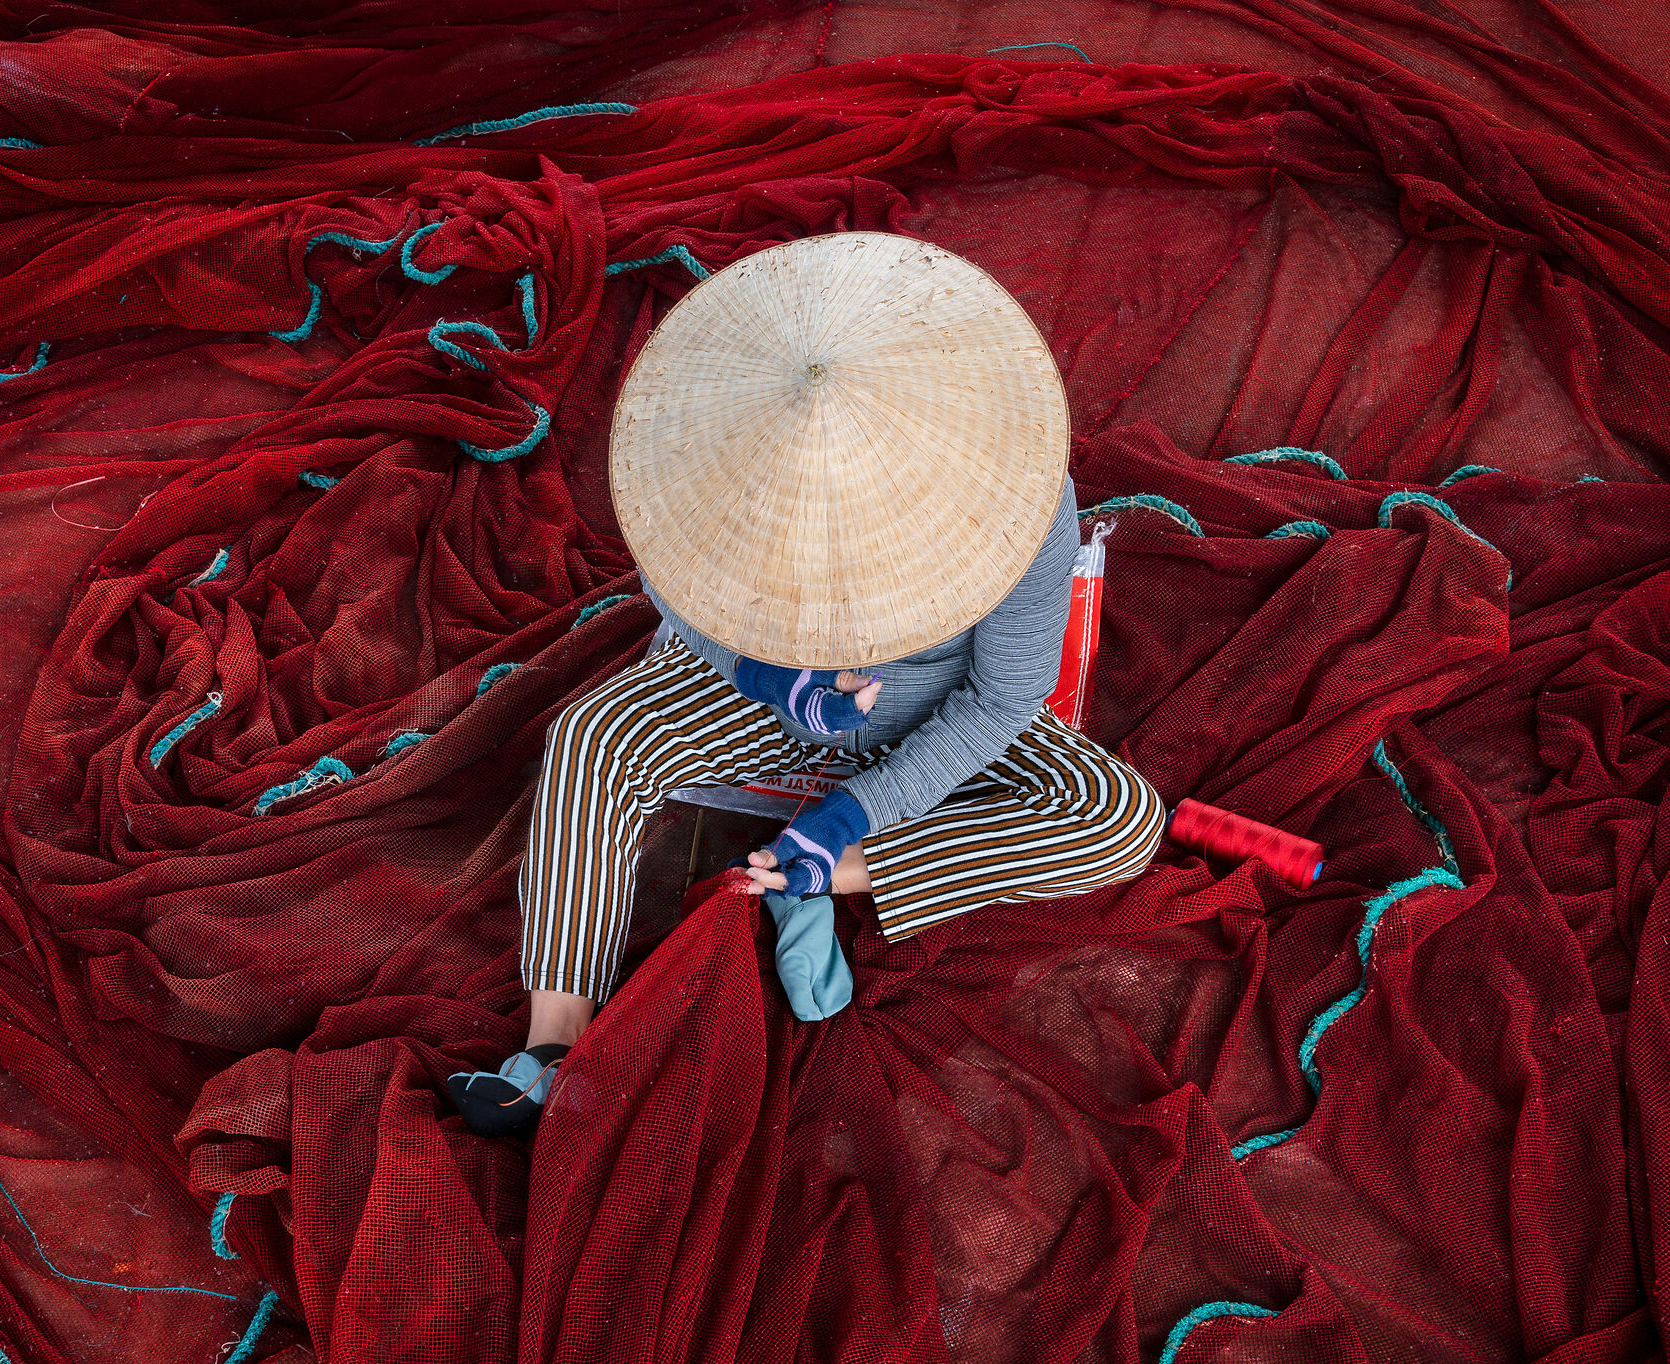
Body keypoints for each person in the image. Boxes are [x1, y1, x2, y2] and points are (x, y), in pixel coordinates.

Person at [446, 232, 1166, 1136]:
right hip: (759, 697)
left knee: (1118, 813)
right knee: (594, 736)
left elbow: (1003, 699)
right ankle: (554, 1043)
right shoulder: (692, 458)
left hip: (942, 713)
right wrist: (766, 673)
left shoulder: (1020, 497)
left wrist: (847, 822)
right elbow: (679, 597)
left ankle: (818, 874)